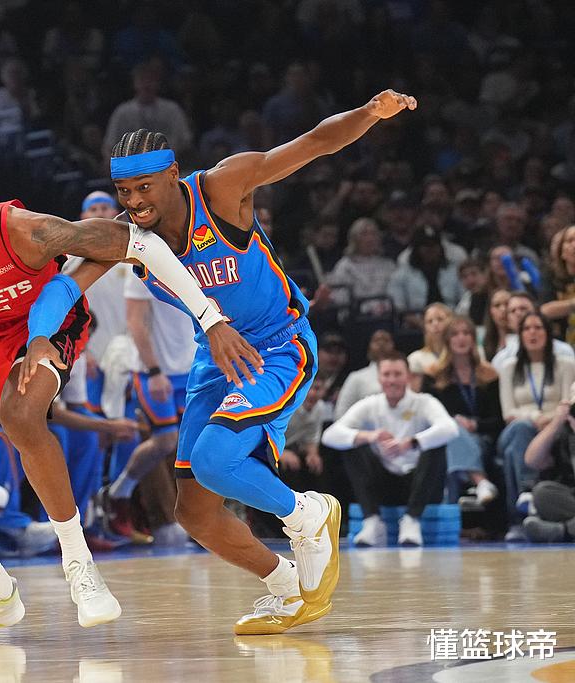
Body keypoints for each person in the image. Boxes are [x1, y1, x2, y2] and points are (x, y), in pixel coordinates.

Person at [24, 89, 418, 635]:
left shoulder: (223, 187)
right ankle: (285, 586)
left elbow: (312, 144)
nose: (135, 201)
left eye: (145, 187)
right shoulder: (126, 237)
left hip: (278, 345)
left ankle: (307, 514)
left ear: (173, 174)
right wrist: (38, 337)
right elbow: (67, 287)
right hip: (214, 359)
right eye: (124, 190)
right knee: (194, 513)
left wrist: (369, 114)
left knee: (213, 461)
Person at [0, 177, 248, 638]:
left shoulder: (29, 232)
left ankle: (80, 564)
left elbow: (136, 241)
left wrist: (210, 316)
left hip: (47, 321)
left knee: (20, 416)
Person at [322, 353, 457, 546]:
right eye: (387, 374)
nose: (392, 380)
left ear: (408, 376)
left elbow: (450, 428)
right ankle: (372, 520)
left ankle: (412, 519)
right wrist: (369, 436)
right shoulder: (370, 404)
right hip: (383, 485)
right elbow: (329, 435)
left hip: (420, 484)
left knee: (435, 444)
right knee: (352, 444)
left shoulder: (424, 402)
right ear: (379, 378)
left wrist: (412, 442)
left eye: (397, 374)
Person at [100, 268, 195, 541]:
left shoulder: (195, 260)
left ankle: (196, 516)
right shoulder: (143, 269)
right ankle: (119, 491)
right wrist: (154, 371)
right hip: (154, 370)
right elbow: (135, 321)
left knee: (193, 445)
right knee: (165, 441)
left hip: (191, 366)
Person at [497, 310, 575, 540]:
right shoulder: (509, 367)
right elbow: (508, 412)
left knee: (514, 451)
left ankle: (559, 530)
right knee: (543, 490)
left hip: (556, 425)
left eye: (538, 327)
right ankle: (528, 489)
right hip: (523, 427)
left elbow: (567, 402)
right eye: (527, 328)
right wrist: (538, 418)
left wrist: (555, 419)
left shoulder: (566, 364)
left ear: (548, 333)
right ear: (519, 334)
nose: (532, 333)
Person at [421, 316, 502, 506]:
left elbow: (499, 420)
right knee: (450, 430)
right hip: (445, 436)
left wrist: (475, 425)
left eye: (466, 333)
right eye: (455, 334)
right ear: (447, 340)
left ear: (474, 339)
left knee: (450, 436)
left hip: (482, 438)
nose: (461, 338)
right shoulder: (433, 375)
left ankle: (449, 510)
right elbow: (426, 416)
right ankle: (480, 481)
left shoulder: (489, 374)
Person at [521, 401, 575, 542]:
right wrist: (556, 422)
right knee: (542, 492)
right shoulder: (566, 431)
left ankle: (563, 531)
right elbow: (532, 460)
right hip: (571, 497)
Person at [491, 291, 575, 371]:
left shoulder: (563, 350)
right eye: (513, 311)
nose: (518, 313)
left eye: (523, 309)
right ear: (508, 321)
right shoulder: (501, 360)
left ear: (537, 313)